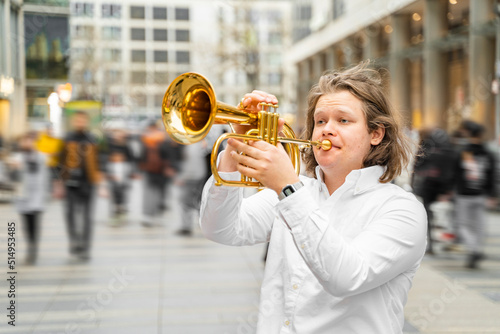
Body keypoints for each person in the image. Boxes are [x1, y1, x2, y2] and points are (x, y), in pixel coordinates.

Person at [199, 62, 427, 333]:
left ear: (376, 134)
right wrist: (235, 148)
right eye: (320, 120)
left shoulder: (401, 209)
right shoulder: (296, 193)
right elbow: (221, 229)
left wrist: (287, 187)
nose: (326, 130)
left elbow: (346, 277)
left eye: (343, 120)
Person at [57, 111, 103, 260]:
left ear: (87, 122)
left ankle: (85, 247)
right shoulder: (67, 139)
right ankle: (74, 242)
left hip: (88, 182)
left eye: (83, 121)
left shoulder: (92, 139)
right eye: (77, 121)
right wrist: (58, 181)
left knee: (87, 217)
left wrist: (101, 181)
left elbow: (100, 160)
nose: (80, 123)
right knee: (70, 215)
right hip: (70, 183)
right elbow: (60, 160)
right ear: (73, 122)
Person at [452, 120, 497, 269]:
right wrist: (491, 194)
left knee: (463, 224)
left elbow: (456, 173)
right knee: (479, 225)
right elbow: (492, 174)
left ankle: (473, 249)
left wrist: (451, 189)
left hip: (464, 193)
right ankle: (476, 248)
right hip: (481, 194)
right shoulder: (487, 152)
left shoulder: (463, 151)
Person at [412, 127, 456, 254]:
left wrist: (415, 185)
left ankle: (431, 242)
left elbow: (417, 166)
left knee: (428, 216)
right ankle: (443, 241)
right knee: (443, 216)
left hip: (428, 186)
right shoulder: (450, 152)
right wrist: (449, 189)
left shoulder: (426, 149)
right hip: (442, 189)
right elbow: (454, 172)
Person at [12, 132, 50, 264]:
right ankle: (30, 245)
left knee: (35, 224)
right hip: (23, 197)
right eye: (24, 141)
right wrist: (14, 169)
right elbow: (11, 179)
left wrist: (47, 194)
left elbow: (46, 176)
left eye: (30, 141)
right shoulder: (17, 158)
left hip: (37, 197)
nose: (27, 143)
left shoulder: (41, 157)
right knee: (26, 225)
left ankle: (33, 248)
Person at [138, 121, 170, 226]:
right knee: (158, 193)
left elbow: (141, 155)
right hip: (160, 170)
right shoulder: (163, 138)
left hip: (150, 170)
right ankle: (154, 214)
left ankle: (148, 215)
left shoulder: (145, 139)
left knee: (149, 193)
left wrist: (140, 168)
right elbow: (168, 155)